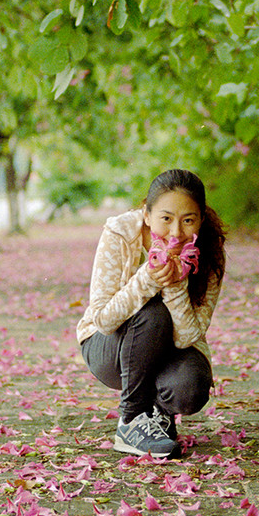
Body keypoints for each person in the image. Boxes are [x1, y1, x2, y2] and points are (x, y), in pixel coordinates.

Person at [77, 169, 226, 458]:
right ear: (147, 215)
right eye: (166, 218)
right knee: (153, 313)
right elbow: (103, 319)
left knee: (191, 387)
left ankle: (158, 413)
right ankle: (131, 420)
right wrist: (148, 279)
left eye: (188, 220)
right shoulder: (120, 234)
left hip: (170, 347)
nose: (176, 233)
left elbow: (188, 337)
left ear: (201, 219)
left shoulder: (209, 250)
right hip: (109, 347)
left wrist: (174, 287)